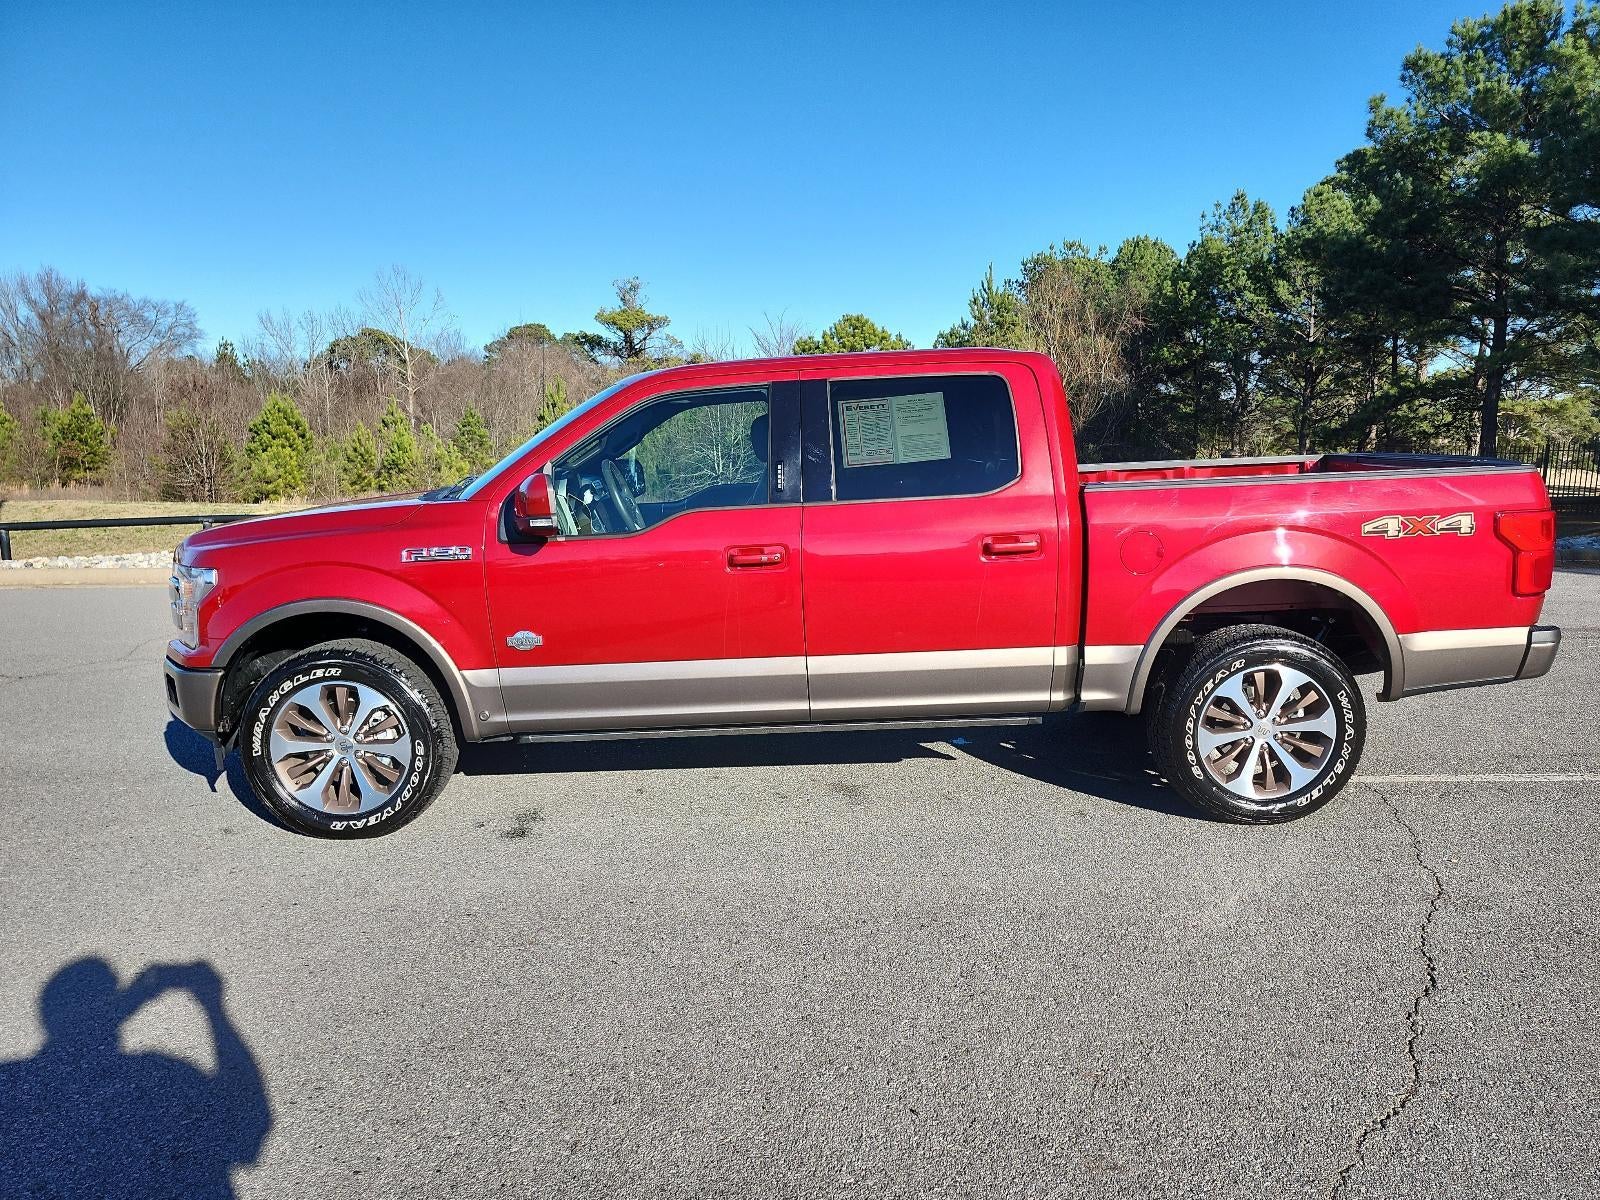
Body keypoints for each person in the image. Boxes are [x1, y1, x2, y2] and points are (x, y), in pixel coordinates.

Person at [0, 957, 270, 1199]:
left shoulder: (10, 1083)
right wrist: (212, 1005)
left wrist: (136, 997)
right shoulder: (163, 1076)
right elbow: (247, 1124)